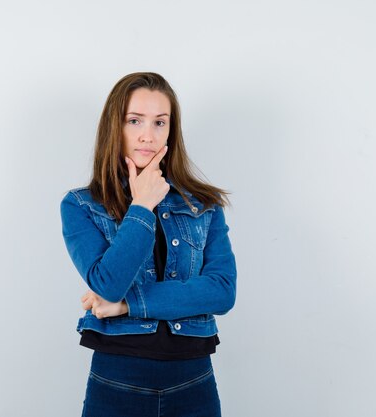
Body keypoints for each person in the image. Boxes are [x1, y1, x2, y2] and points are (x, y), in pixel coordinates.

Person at [60, 72, 237, 417]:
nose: (148, 135)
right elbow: (108, 284)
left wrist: (129, 305)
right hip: (117, 381)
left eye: (160, 122)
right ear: (116, 126)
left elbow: (222, 291)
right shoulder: (81, 206)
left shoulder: (202, 205)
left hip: (193, 381)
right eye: (135, 120)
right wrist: (142, 206)